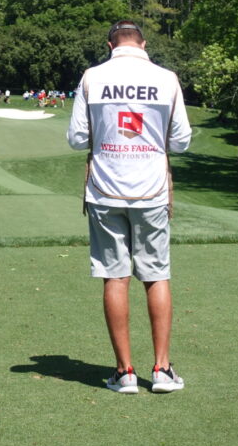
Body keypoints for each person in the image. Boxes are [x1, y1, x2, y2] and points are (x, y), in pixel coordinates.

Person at [67, 20, 192, 394]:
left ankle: (124, 374)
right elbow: (182, 141)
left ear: (110, 44)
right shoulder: (167, 78)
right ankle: (162, 369)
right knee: (156, 275)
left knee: (115, 277)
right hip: (151, 191)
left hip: (105, 191)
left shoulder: (92, 77)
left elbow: (76, 139)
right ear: (144, 43)